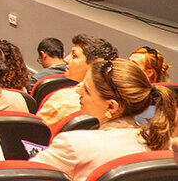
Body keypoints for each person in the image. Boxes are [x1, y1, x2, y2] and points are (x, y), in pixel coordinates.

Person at [31, 58, 178, 181]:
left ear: (111, 106)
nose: (78, 90)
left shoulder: (73, 144)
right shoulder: (161, 141)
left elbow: (27, 176)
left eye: (86, 89)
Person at [36, 34, 118, 133]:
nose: (66, 59)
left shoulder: (62, 100)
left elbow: (35, 134)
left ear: (94, 65)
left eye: (74, 56)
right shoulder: (120, 103)